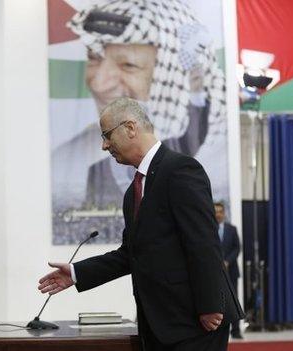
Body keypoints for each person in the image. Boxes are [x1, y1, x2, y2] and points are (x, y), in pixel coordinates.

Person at [38, 98, 243, 351]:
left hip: (196, 322)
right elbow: (131, 255)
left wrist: (211, 305)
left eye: (107, 136)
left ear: (131, 128)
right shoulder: (132, 192)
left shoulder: (180, 170)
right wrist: (77, 272)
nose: (104, 146)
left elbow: (204, 242)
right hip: (160, 325)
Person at [50, 0, 227, 244]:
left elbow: (203, 256)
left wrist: (195, 82)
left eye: (128, 65)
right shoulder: (84, 165)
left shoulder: (186, 166)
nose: (99, 83)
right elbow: (132, 254)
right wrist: (75, 273)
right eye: (94, 58)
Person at [214, 202, 242, 339]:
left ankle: (236, 331)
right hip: (215, 273)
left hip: (231, 271)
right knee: (217, 301)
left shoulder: (232, 229)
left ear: (224, 213)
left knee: (234, 300)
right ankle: (218, 331)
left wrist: (227, 261)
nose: (218, 214)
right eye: (216, 211)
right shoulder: (208, 229)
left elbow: (237, 248)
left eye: (220, 211)